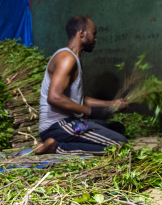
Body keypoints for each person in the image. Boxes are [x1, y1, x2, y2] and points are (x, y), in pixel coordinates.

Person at [35, 15, 128, 155]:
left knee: (117, 128)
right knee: (120, 144)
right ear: (82, 33)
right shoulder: (67, 59)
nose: (95, 39)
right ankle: (57, 147)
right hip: (57, 126)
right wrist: (89, 111)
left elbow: (78, 99)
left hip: (73, 122)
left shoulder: (75, 58)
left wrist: (111, 103)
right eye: (94, 34)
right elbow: (54, 97)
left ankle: (61, 143)